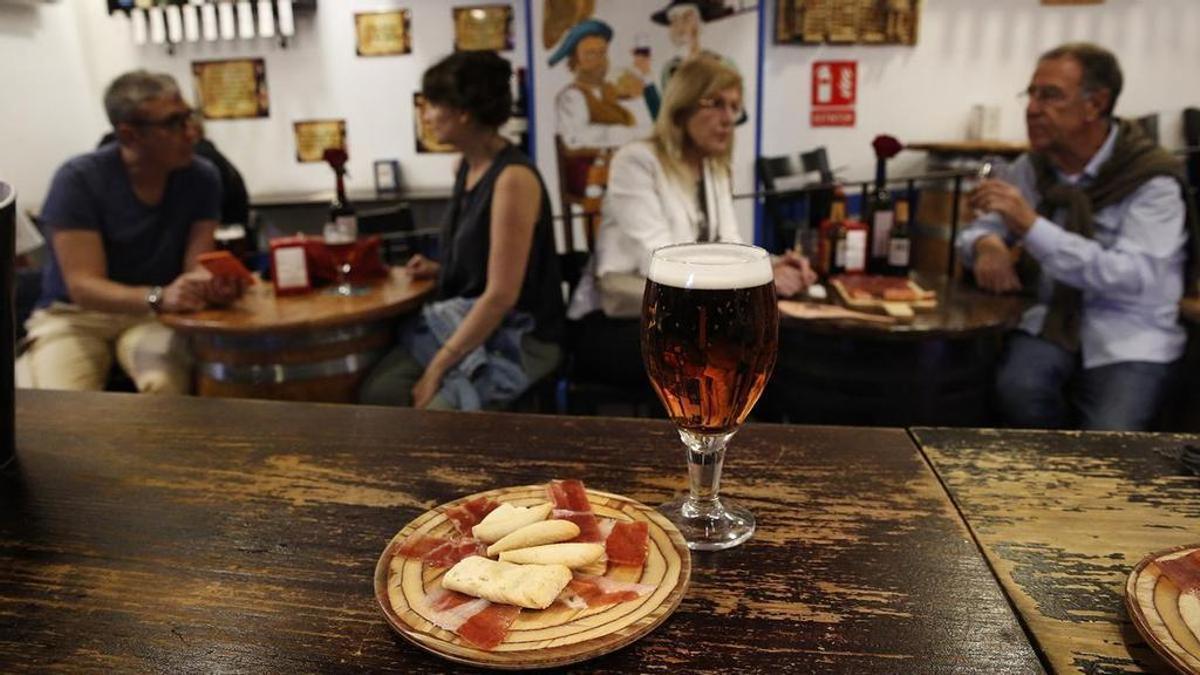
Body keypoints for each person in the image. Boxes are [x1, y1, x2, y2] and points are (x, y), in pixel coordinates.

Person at [957, 43, 1198, 431]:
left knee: (1110, 437)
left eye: (1050, 95)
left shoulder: (1152, 179)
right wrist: (987, 245)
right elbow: (981, 227)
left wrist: (1031, 226)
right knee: (1015, 393)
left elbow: (1130, 275)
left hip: (1129, 332)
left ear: (1095, 104)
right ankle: (1041, 487)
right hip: (1051, 321)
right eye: (1031, 94)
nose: (1032, 108)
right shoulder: (1034, 167)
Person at [567, 55, 814, 387]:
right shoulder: (637, 161)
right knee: (747, 353)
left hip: (690, 316)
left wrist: (776, 265)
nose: (728, 119)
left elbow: (729, 247)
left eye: (734, 108)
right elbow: (661, 258)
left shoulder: (712, 168)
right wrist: (769, 279)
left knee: (773, 345)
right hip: (627, 318)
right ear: (681, 106)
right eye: (715, 104)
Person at [359, 52, 564, 410]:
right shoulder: (465, 168)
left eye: (433, 104)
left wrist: (437, 367)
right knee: (379, 394)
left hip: (519, 335)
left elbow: (501, 295)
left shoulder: (513, 179)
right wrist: (440, 269)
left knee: (438, 414)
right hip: (475, 320)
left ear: (463, 112)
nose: (426, 115)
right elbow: (488, 268)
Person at [19, 70, 244, 394]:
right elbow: (83, 286)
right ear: (128, 135)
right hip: (75, 317)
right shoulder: (79, 179)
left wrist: (209, 285)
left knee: (165, 387)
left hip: (151, 318)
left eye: (188, 117)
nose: (192, 132)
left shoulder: (201, 177)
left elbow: (198, 265)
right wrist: (160, 296)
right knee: (65, 408)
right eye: (174, 123)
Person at [550, 18, 653, 153]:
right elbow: (576, 138)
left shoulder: (612, 90)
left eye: (602, 53)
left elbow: (650, 125)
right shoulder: (571, 97)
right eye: (590, 54)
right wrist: (632, 134)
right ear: (575, 60)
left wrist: (642, 85)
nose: (600, 61)